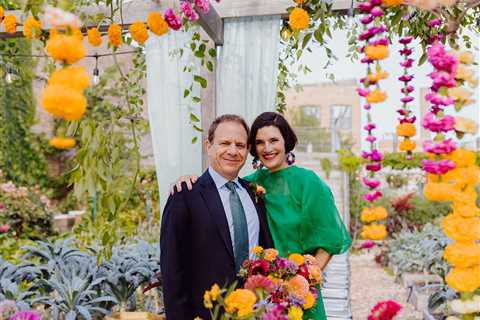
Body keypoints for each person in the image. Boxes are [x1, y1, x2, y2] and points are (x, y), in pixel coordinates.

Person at [174, 112, 352, 319]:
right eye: (260, 142)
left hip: (298, 295)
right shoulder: (249, 186)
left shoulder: (308, 183)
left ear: (286, 141)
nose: (267, 148)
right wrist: (188, 180)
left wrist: (297, 283)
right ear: (253, 148)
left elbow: (329, 242)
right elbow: (216, 190)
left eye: (274, 140)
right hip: (257, 298)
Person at [160, 114, 274, 320]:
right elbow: (172, 270)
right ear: (208, 145)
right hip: (204, 314)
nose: (233, 150)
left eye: (240, 145)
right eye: (225, 143)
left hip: (254, 312)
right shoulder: (185, 195)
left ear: (248, 150)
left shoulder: (255, 194)